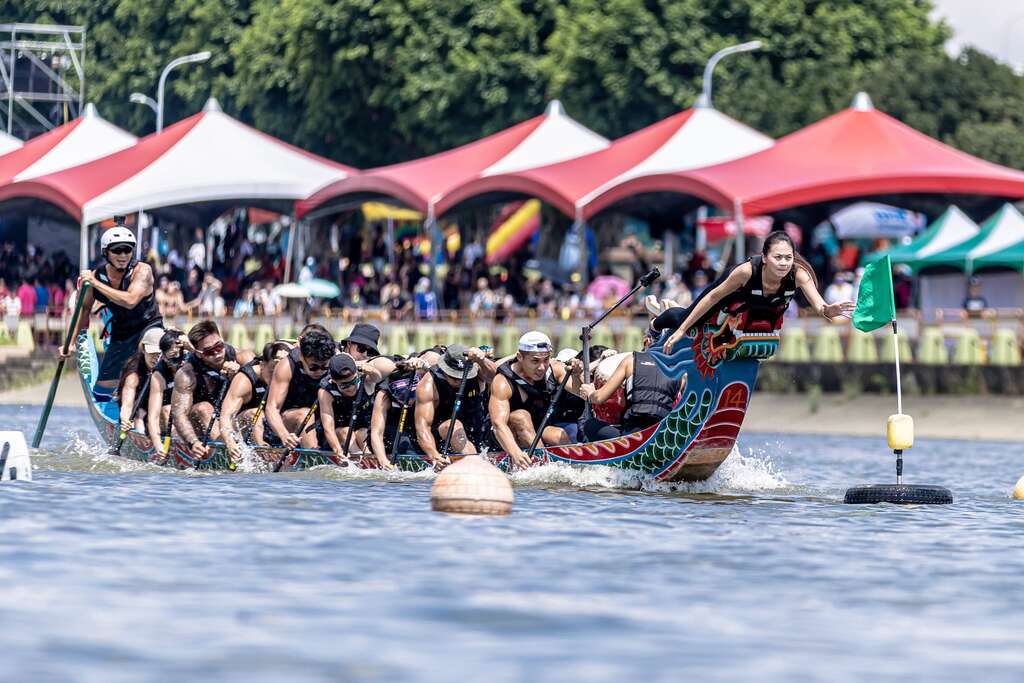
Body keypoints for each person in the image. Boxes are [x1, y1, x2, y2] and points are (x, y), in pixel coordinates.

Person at [659, 232, 854, 355]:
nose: (783, 263)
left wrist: (829, 310)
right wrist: (681, 330)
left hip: (755, 306)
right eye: (778, 257)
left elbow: (821, 306)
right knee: (688, 320)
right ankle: (658, 321)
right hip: (731, 295)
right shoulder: (745, 272)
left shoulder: (798, 275)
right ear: (765, 257)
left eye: (788, 258)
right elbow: (713, 297)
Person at [64, 226, 163, 399]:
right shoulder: (97, 276)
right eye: (117, 250)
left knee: (150, 348)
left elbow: (130, 301)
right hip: (121, 333)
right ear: (106, 252)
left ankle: (150, 394)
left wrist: (94, 283)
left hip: (149, 327)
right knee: (101, 394)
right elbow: (85, 310)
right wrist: (70, 344)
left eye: (127, 250)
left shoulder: (142, 271)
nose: (123, 255)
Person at [488, 332, 584, 469]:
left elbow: (581, 392)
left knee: (558, 435)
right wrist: (515, 453)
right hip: (504, 436)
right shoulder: (503, 382)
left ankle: (575, 466)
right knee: (521, 416)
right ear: (520, 357)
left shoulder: (554, 369)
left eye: (546, 360)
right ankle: (544, 466)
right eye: (535, 361)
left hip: (537, 429)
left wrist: (576, 376)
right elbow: (498, 425)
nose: (542, 367)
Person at [171, 321, 253, 461]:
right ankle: (225, 453)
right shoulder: (187, 373)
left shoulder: (243, 358)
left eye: (219, 346)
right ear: (198, 353)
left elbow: (262, 391)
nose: (217, 354)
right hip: (202, 423)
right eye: (209, 352)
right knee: (203, 408)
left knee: (253, 413)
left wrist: (240, 376)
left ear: (222, 339)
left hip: (234, 418)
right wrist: (193, 442)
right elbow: (179, 415)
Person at [580, 328, 683, 440]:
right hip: (663, 434)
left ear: (648, 341)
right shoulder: (680, 368)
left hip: (633, 435)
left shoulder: (631, 360)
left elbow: (599, 398)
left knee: (590, 425)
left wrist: (590, 393)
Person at [415, 344, 496, 467]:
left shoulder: (478, 371)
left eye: (462, 376)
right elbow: (423, 428)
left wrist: (482, 360)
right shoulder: (428, 385)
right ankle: (477, 466)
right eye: (454, 376)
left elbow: (496, 376)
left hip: (478, 428)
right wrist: (434, 455)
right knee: (453, 426)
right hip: (444, 436)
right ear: (444, 369)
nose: (459, 381)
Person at [219, 340, 292, 461]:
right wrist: (230, 442)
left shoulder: (289, 371)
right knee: (255, 414)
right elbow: (226, 416)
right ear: (262, 365)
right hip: (242, 425)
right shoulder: (245, 380)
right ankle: (263, 452)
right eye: (272, 372)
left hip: (272, 423)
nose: (277, 377)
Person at [265, 327, 336, 450]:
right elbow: (272, 408)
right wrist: (284, 435)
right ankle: (312, 457)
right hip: (287, 422)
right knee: (305, 414)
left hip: (320, 420)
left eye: (324, 367)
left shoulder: (335, 357)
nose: (319, 371)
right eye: (313, 367)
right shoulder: (287, 366)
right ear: (302, 356)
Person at [368, 350, 440, 469]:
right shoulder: (383, 395)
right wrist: (383, 460)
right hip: (390, 431)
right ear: (392, 391)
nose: (409, 400)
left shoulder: (424, 387)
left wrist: (426, 367)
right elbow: (377, 432)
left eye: (412, 394)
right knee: (404, 442)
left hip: (414, 426)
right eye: (401, 395)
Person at [318, 354, 382, 459]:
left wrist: (370, 369)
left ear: (357, 375)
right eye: (344, 385)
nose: (351, 388)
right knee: (346, 432)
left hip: (362, 431)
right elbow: (328, 428)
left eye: (354, 382)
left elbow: (378, 377)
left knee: (363, 433)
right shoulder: (326, 392)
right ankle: (357, 460)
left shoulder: (365, 379)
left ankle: (369, 461)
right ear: (334, 381)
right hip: (336, 437)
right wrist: (338, 450)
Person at [146, 329, 189, 459]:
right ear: (164, 357)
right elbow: (153, 417)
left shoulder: (192, 362)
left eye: (181, 354)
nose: (179, 360)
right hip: (167, 418)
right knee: (168, 409)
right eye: (173, 355)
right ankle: (182, 448)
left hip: (187, 412)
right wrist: (158, 445)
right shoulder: (159, 375)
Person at [114, 327, 165, 437]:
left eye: (159, 354)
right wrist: (125, 420)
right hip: (137, 409)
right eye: (152, 353)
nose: (155, 358)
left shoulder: (170, 366)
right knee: (140, 415)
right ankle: (141, 437)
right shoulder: (133, 374)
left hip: (158, 406)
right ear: (143, 349)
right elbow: (127, 405)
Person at [340, 323, 396, 391]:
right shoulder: (333, 353)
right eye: (361, 348)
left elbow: (388, 366)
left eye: (370, 351)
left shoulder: (369, 366)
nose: (365, 354)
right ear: (349, 343)